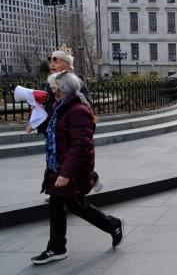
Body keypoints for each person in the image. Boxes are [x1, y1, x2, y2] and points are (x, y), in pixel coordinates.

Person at [31, 72, 124, 265]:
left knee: (64, 203)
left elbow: (81, 146)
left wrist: (66, 173)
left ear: (63, 89)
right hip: (60, 165)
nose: (52, 91)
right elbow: (51, 131)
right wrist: (35, 120)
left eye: (55, 87)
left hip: (71, 170)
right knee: (71, 204)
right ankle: (111, 225)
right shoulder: (61, 107)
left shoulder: (78, 111)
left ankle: (57, 247)